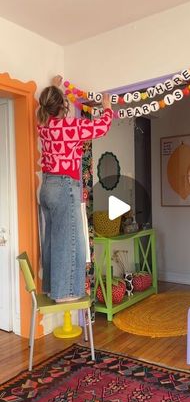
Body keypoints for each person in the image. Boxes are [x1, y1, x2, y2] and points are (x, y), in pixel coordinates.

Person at [37, 76, 113, 302]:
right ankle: (66, 292)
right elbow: (101, 128)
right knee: (70, 238)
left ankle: (52, 288)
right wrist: (107, 109)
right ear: (62, 105)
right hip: (64, 186)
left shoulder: (43, 125)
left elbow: (52, 109)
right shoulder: (69, 126)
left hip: (48, 186)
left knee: (52, 238)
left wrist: (57, 88)